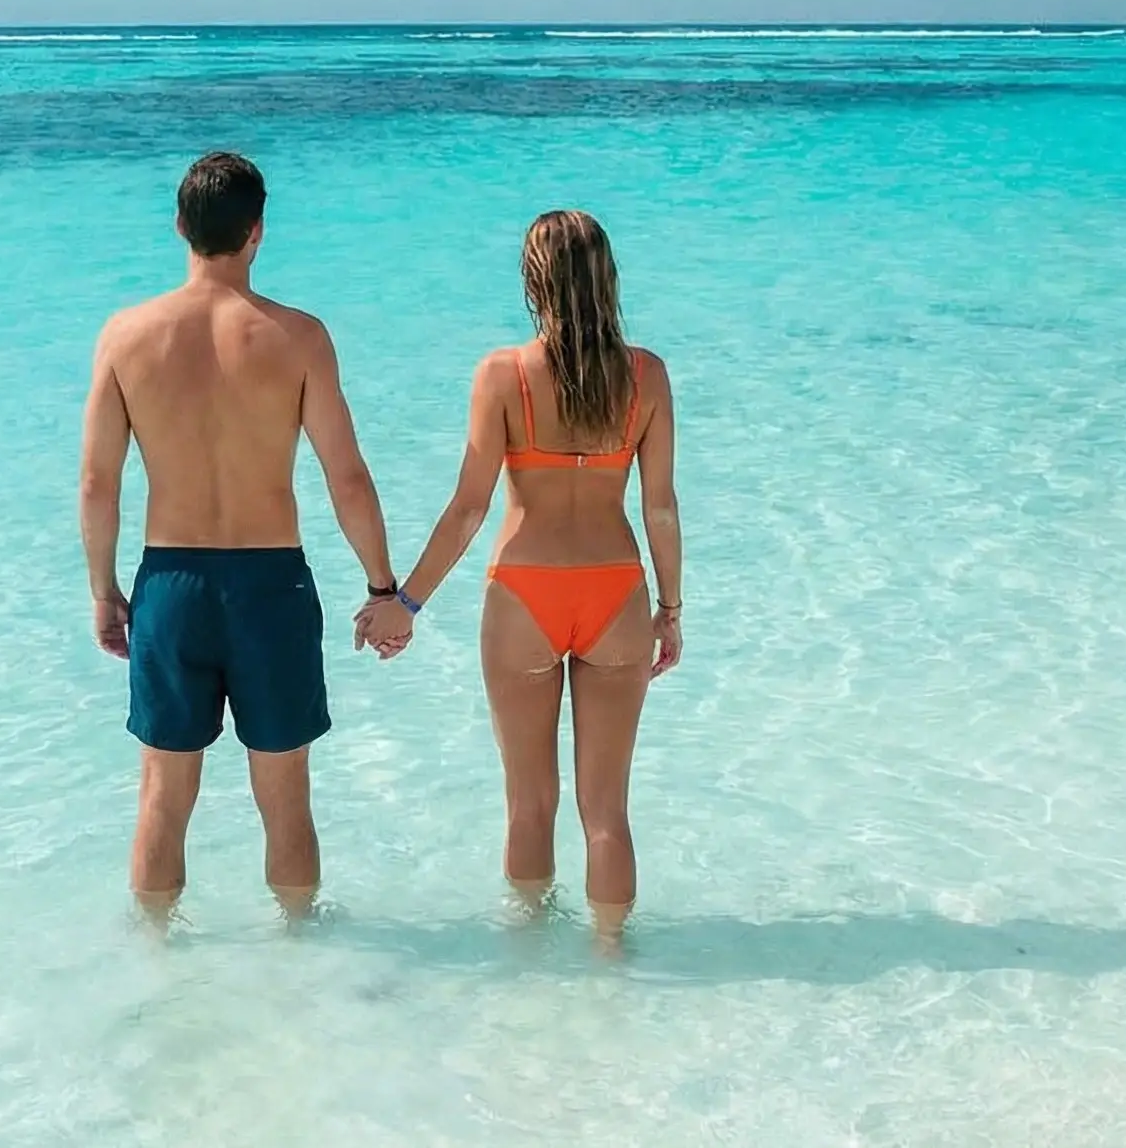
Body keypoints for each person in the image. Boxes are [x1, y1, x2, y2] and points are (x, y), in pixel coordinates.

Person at [79, 151, 398, 919]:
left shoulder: (126, 336)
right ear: (257, 232)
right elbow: (346, 477)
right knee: (285, 794)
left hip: (171, 586)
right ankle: (300, 951)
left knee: (162, 793)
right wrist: (383, 588)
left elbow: (98, 483)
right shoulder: (298, 337)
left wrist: (104, 590)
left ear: (179, 227)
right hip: (271, 585)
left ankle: (155, 957)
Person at [357, 210, 682, 941]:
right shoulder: (646, 376)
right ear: (608, 278)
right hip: (616, 591)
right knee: (607, 809)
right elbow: (659, 507)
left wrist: (405, 600)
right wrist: (671, 607)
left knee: (528, 803)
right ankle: (610, 958)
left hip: (524, 594)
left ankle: (529, 961)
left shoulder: (502, 375)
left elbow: (469, 509)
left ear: (534, 283)